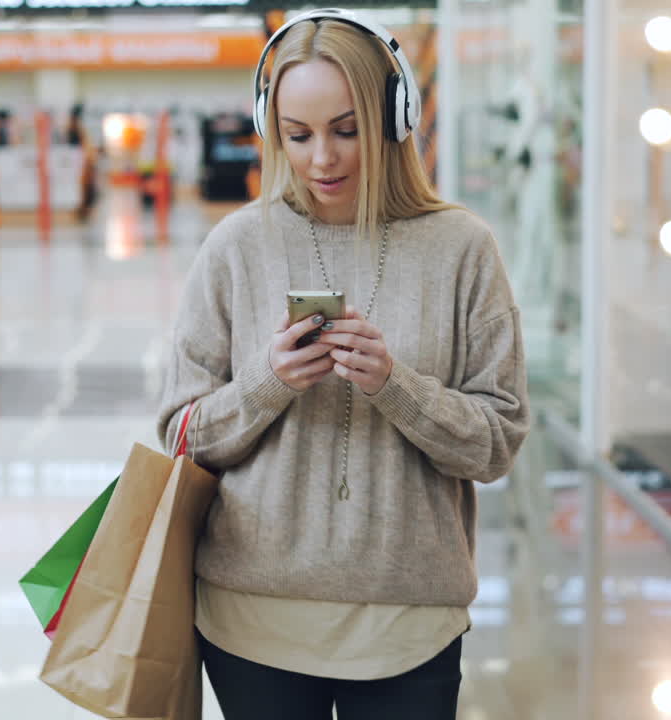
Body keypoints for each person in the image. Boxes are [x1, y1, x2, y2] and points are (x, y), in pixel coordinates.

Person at [156, 9, 529, 719]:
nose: (321, 157)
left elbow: (498, 442)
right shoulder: (237, 245)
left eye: (346, 129)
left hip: (409, 623)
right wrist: (268, 385)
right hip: (251, 618)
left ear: (396, 118)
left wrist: (397, 387)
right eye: (297, 135)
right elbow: (178, 434)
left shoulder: (462, 249)